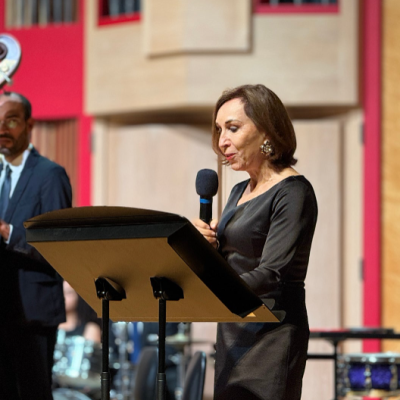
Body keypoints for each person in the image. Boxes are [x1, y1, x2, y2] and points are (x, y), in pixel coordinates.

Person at [193, 84, 318, 400]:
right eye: (219, 130)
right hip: (233, 329)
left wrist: (210, 294)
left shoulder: (293, 192)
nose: (222, 141)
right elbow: (232, 262)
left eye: (232, 128)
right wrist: (206, 248)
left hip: (272, 332)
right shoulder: (238, 191)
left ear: (266, 131)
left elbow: (272, 272)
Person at [0, 92, 72, 400]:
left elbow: (61, 246)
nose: (2, 129)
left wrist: (8, 232)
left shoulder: (50, 174)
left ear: (29, 125)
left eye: (11, 121)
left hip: (32, 314)